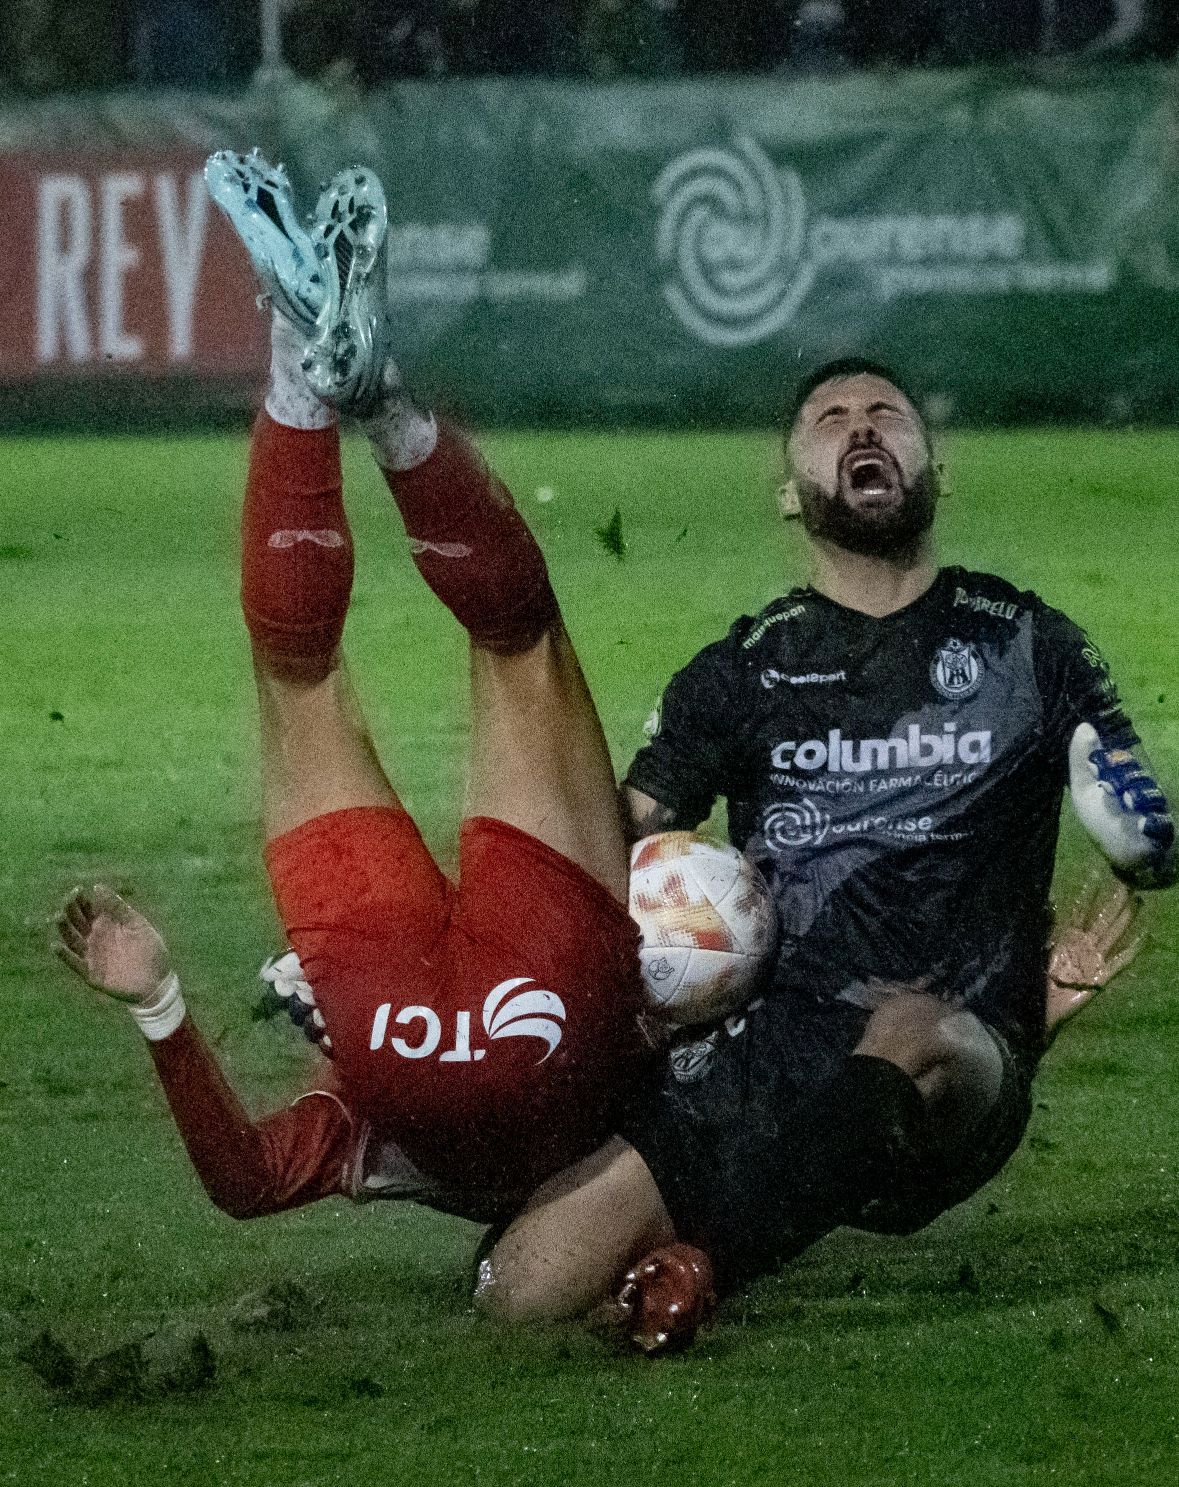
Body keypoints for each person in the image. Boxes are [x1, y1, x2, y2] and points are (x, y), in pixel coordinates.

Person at [474, 359, 1174, 1328]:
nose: (862, 427)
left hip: (959, 1057)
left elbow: (1141, 821)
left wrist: (1143, 837)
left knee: (913, 1028)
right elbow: (606, 850)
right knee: (520, 1294)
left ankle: (706, 1262)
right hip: (777, 1047)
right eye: (830, 418)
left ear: (936, 467)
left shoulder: (1029, 643)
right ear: (789, 492)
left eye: (888, 413)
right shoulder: (740, 672)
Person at [55, 152, 648, 1234]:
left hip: (511, 1018)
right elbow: (248, 1185)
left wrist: (163, 1006)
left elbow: (244, 1183)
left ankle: (371, 401)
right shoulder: (378, 1112)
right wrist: (156, 1002)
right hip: (439, 1025)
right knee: (303, 671)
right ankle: (301, 371)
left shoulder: (375, 1119)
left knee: (513, 642)